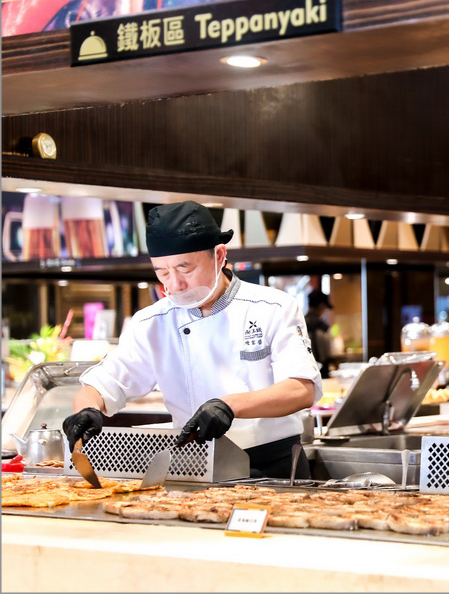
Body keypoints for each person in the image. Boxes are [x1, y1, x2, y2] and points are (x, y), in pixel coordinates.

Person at [62, 201, 323, 478]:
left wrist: (229, 405)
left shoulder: (272, 306)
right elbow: (101, 386)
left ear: (219, 256)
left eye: (185, 269)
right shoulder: (151, 322)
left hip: (271, 465)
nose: (174, 284)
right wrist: (87, 409)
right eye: (162, 272)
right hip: (193, 467)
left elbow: (301, 389)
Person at [305, 289, 334, 377]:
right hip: (321, 374)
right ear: (322, 306)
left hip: (305, 375)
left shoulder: (300, 324)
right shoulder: (323, 328)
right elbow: (329, 354)